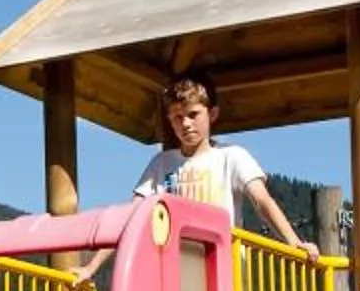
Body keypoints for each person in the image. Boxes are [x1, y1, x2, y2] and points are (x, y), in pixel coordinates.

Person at [132, 72, 316, 254]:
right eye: (178, 117)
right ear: (170, 121)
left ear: (212, 114)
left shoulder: (231, 156)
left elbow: (262, 200)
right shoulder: (161, 163)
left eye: (193, 114)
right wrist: (101, 261)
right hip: (177, 262)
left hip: (222, 263)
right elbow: (133, 213)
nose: (186, 123)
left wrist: (294, 242)